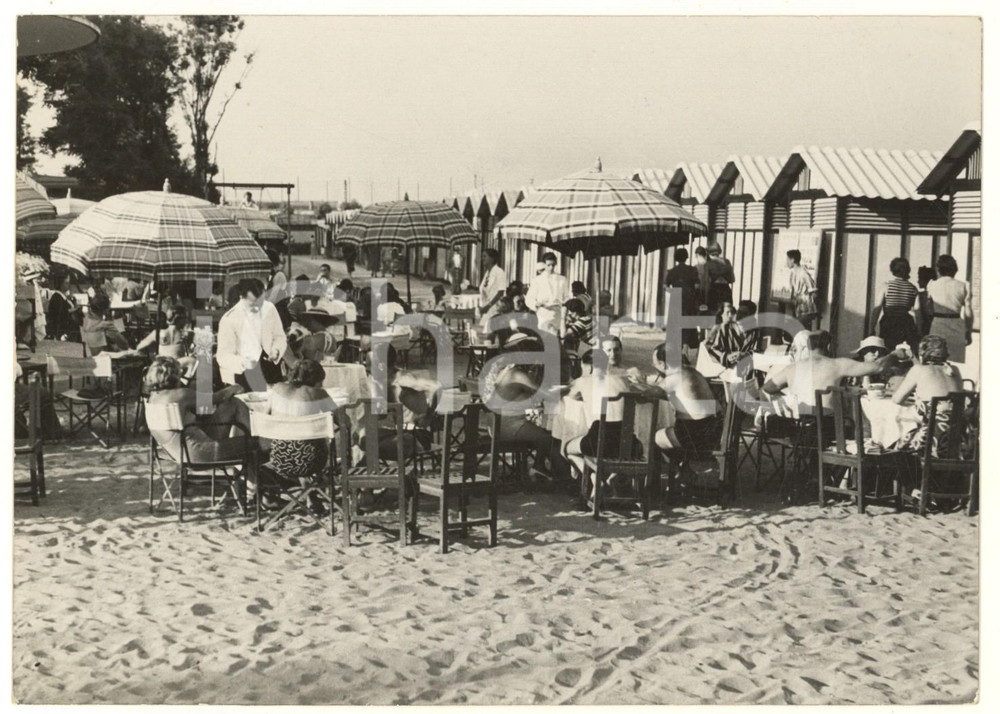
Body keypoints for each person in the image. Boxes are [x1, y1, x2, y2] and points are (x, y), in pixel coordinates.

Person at [481, 333, 567, 480]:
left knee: (546, 433)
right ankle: (566, 480)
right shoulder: (517, 375)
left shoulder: (510, 370)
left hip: (498, 422)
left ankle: (539, 467)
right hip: (507, 425)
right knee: (550, 439)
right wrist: (571, 387)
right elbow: (546, 394)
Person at [763, 330, 904, 417]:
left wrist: (789, 400)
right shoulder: (838, 364)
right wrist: (895, 354)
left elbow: (767, 388)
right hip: (827, 427)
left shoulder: (792, 367)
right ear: (829, 346)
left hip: (796, 426)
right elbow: (878, 367)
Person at [144, 355, 248, 463]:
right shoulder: (181, 394)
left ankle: (244, 474)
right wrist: (235, 387)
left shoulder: (152, 399)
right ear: (173, 376)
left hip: (179, 454)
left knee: (231, 404)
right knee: (257, 443)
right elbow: (218, 398)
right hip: (202, 453)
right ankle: (252, 476)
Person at [563, 349, 638, 493]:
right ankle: (608, 480)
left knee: (567, 449)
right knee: (599, 446)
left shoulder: (583, 381)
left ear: (589, 367)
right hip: (629, 443)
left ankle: (596, 478)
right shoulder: (623, 380)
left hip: (598, 442)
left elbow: (571, 396)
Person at [263, 359, 339, 490]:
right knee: (309, 443)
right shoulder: (318, 394)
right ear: (316, 379)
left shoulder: (277, 389)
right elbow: (343, 421)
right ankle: (314, 491)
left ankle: (309, 494)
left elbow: (266, 417)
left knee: (296, 440)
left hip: (279, 460)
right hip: (312, 462)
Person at [891, 335, 966, 459]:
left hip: (932, 440)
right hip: (959, 440)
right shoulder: (954, 370)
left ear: (922, 353)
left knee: (894, 446)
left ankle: (909, 478)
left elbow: (897, 399)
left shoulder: (919, 370)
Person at [216, 278, 287, 389]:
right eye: (253, 304)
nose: (258, 308)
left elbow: (280, 336)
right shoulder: (229, 319)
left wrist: (276, 349)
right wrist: (243, 362)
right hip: (245, 373)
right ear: (241, 298)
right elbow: (222, 356)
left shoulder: (270, 308)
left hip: (271, 369)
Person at [925, 254, 974, 363]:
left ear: (939, 269)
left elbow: (929, 309)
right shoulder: (964, 286)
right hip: (956, 324)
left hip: (937, 323)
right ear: (954, 269)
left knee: (936, 360)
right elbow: (968, 312)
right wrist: (968, 331)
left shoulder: (932, 285)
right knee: (954, 362)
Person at [870, 257, 919, 351]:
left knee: (888, 350)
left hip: (889, 322)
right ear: (908, 270)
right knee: (903, 352)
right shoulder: (913, 288)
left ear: (892, 270)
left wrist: (871, 328)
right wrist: (919, 332)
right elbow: (918, 312)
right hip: (906, 323)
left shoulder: (886, 286)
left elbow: (877, 309)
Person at [664, 247, 701, 350]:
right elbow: (697, 286)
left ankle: (678, 349)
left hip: (676, 300)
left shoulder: (671, 271)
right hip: (689, 299)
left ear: (676, 258)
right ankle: (685, 351)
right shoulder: (692, 270)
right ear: (686, 257)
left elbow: (665, 287)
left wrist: (675, 292)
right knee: (688, 324)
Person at [525, 252, 570, 334]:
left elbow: (567, 296)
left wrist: (564, 304)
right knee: (549, 335)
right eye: (549, 265)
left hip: (558, 313)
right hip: (544, 312)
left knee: (557, 335)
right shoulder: (537, 280)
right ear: (544, 265)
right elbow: (529, 298)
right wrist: (536, 304)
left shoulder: (562, 279)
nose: (551, 267)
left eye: (553, 265)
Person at [704, 302, 752, 379]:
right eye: (738, 312)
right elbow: (713, 349)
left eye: (745, 313)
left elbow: (757, 351)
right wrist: (727, 357)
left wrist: (744, 355)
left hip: (747, 370)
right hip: (727, 369)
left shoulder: (754, 332)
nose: (739, 316)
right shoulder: (724, 328)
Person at [81, 291, 129, 355]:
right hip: (103, 359)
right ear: (106, 309)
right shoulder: (107, 325)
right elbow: (124, 345)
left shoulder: (84, 320)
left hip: (87, 356)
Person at [786, 249, 819, 330]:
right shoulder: (793, 273)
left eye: (787, 259)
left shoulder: (803, 273)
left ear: (792, 260)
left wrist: (807, 301)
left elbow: (814, 291)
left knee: (799, 330)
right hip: (798, 307)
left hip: (806, 309)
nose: (786, 262)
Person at [45, 273, 82, 341]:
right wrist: (75, 309)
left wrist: (74, 302)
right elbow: (61, 312)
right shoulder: (57, 297)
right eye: (66, 283)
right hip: (62, 329)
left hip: (70, 328)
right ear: (60, 284)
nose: (68, 285)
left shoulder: (64, 296)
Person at [705, 243, 735, 313]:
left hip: (714, 290)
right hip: (725, 289)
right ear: (719, 251)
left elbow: (706, 282)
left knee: (713, 312)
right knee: (726, 312)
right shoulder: (727, 262)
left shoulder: (708, 264)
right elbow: (732, 279)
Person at [479, 248, 508, 316]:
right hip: (486, 309)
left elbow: (501, 293)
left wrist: (488, 306)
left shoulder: (499, 272)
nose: (482, 259)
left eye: (485, 256)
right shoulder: (487, 273)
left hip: (496, 309)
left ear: (492, 258)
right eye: (482, 257)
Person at [916, 265, 937, 337]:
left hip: (926, 326)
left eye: (920, 279)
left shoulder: (921, 295)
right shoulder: (935, 294)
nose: (918, 281)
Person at [693, 246, 710, 311]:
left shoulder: (695, 268)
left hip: (699, 293)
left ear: (697, 255)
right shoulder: (710, 266)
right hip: (709, 293)